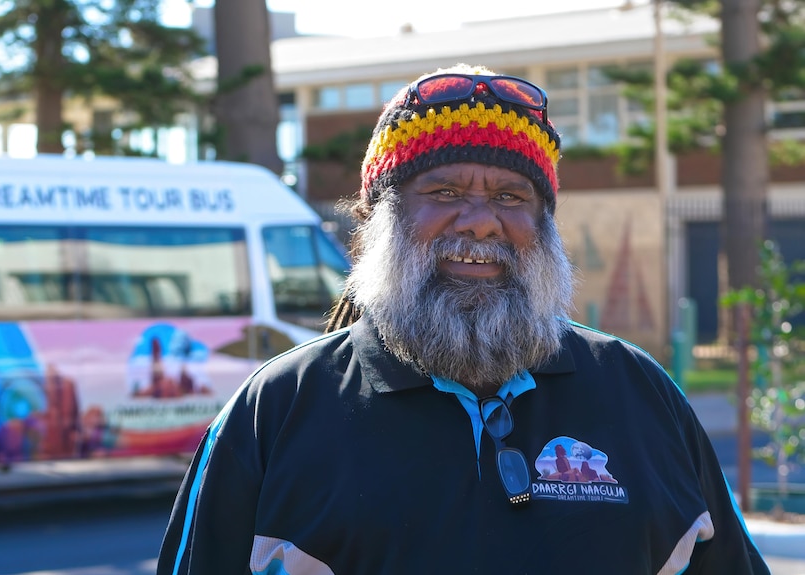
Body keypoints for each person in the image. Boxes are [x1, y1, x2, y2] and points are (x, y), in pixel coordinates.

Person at [157, 63, 769, 574]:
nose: (480, 221)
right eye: (444, 193)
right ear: (380, 219)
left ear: (545, 226)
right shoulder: (276, 408)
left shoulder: (641, 394)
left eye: (511, 197)